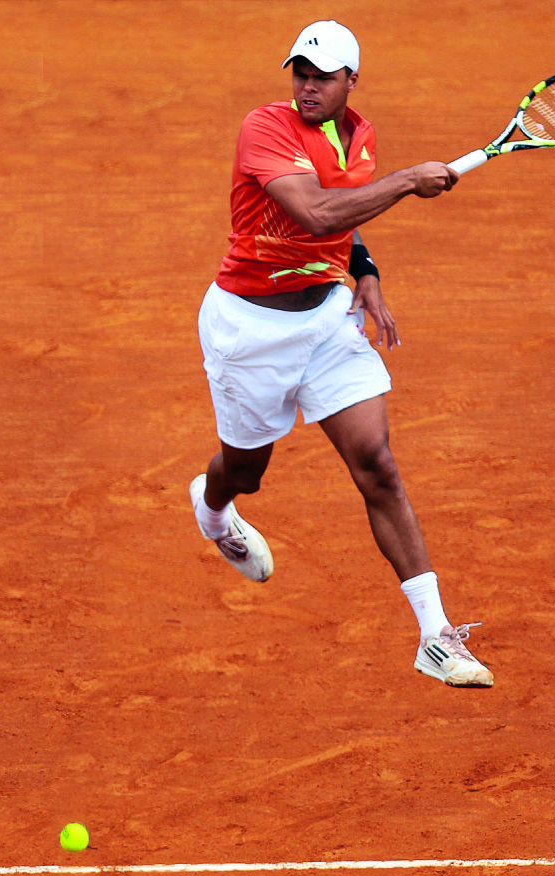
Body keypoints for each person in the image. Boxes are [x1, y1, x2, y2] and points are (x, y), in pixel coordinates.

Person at [189, 20, 493, 688]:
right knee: (245, 469)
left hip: (327, 322)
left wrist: (369, 274)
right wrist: (411, 180)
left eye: (323, 76)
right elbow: (318, 215)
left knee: (377, 464)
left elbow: (345, 221)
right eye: (300, 72)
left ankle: (434, 635)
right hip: (249, 331)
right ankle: (213, 510)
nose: (307, 87)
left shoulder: (359, 136)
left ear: (351, 82)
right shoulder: (264, 128)